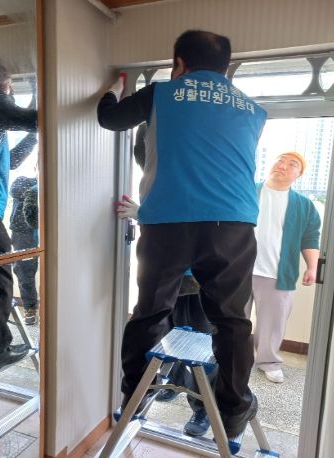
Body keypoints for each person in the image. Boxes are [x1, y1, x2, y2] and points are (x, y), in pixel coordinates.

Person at [98, 30, 267, 438]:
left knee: (151, 311)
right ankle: (232, 411)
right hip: (233, 223)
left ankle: (136, 396)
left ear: (179, 64)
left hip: (168, 223)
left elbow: (110, 119)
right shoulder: (253, 108)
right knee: (231, 321)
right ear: (226, 67)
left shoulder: (162, 93)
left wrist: (113, 89)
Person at [0, 55, 38, 371]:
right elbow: (37, 118)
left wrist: (34, 137)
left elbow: (10, 161)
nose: (10, 88)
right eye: (6, 81)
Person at [245, 152, 321, 383]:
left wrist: (312, 267)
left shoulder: (304, 205)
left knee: (273, 323)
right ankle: (232, 358)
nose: (283, 165)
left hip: (277, 274)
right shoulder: (247, 190)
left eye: (292, 164)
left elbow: (310, 238)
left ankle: (268, 362)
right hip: (238, 270)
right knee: (233, 319)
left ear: (299, 174)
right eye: (280, 159)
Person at [10, 175, 39, 325]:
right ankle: (30, 308)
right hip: (23, 232)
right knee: (24, 270)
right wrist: (36, 187)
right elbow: (14, 190)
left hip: (47, 228)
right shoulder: (23, 180)